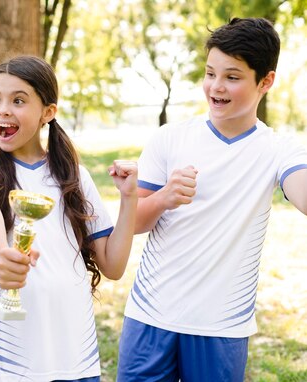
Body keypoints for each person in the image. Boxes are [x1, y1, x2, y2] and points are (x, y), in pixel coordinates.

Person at [117, 17, 307, 381]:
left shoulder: (278, 149)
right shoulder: (169, 139)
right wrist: (164, 199)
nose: (215, 87)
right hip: (150, 316)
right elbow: (132, 224)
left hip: (222, 326)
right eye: (210, 73)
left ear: (265, 81)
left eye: (232, 77)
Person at [0, 55, 138, 381]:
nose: (3, 109)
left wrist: (129, 197)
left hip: (75, 355)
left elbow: (113, 265)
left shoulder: (74, 176)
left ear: (48, 113)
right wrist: (3, 259)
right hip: (8, 360)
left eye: (18, 100)